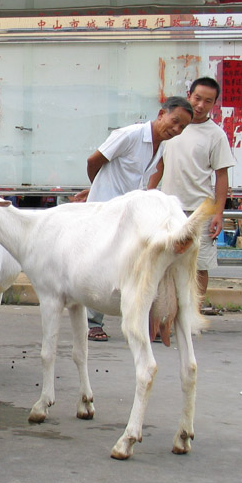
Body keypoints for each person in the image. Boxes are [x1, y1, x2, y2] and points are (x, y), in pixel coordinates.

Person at [84, 96, 194, 341]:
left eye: (182, 127)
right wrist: (98, 189)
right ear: (161, 113)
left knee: (133, 263)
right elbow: (94, 161)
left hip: (130, 213)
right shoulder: (130, 135)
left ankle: (141, 320)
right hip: (106, 210)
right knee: (101, 265)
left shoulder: (160, 146)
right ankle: (93, 323)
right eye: (174, 121)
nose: (176, 130)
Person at [147, 77, 236, 315]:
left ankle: (190, 317)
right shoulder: (173, 126)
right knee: (163, 263)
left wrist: (218, 212)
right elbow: (159, 166)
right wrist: (148, 195)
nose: (200, 105)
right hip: (167, 208)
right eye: (197, 98)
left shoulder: (215, 135)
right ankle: (161, 316)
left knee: (199, 265)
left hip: (200, 211)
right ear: (189, 95)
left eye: (208, 101)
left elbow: (221, 176)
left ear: (214, 104)